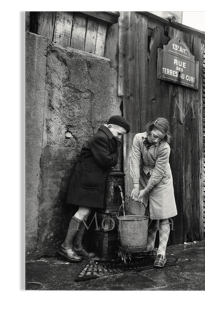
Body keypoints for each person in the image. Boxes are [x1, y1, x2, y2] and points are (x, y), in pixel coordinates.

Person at [58, 115, 130, 262]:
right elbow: (107, 161)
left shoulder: (106, 138)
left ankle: (77, 247)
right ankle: (66, 247)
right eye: (119, 134)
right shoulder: (101, 138)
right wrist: (115, 152)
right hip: (86, 180)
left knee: (86, 212)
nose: (119, 138)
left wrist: (114, 150)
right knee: (82, 212)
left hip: (91, 180)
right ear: (110, 127)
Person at [130, 118, 177, 268]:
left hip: (161, 180)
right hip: (144, 177)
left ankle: (161, 254)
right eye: (154, 136)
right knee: (150, 214)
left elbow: (157, 174)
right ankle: (149, 249)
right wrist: (136, 185)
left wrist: (145, 190)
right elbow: (135, 160)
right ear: (149, 130)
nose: (156, 140)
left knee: (162, 215)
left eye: (160, 138)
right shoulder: (138, 138)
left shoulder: (165, 148)